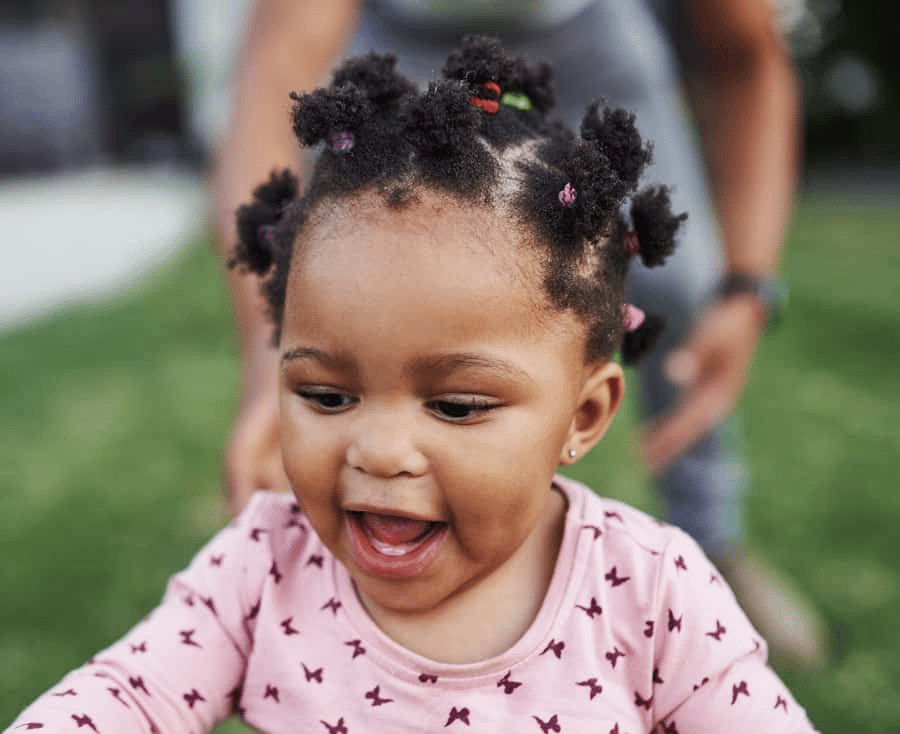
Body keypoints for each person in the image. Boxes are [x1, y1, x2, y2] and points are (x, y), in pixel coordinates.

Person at [5, 38, 818, 733]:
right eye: (325, 395)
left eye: (456, 406)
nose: (381, 449)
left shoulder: (648, 593)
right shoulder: (263, 568)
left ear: (585, 412)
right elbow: (127, 694)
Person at [214, 0, 825, 668]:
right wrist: (272, 359)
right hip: (396, 42)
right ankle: (347, 594)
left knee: (683, 283)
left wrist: (744, 290)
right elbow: (275, 75)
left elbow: (748, 58)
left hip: (593, 34)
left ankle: (711, 552)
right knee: (364, 270)